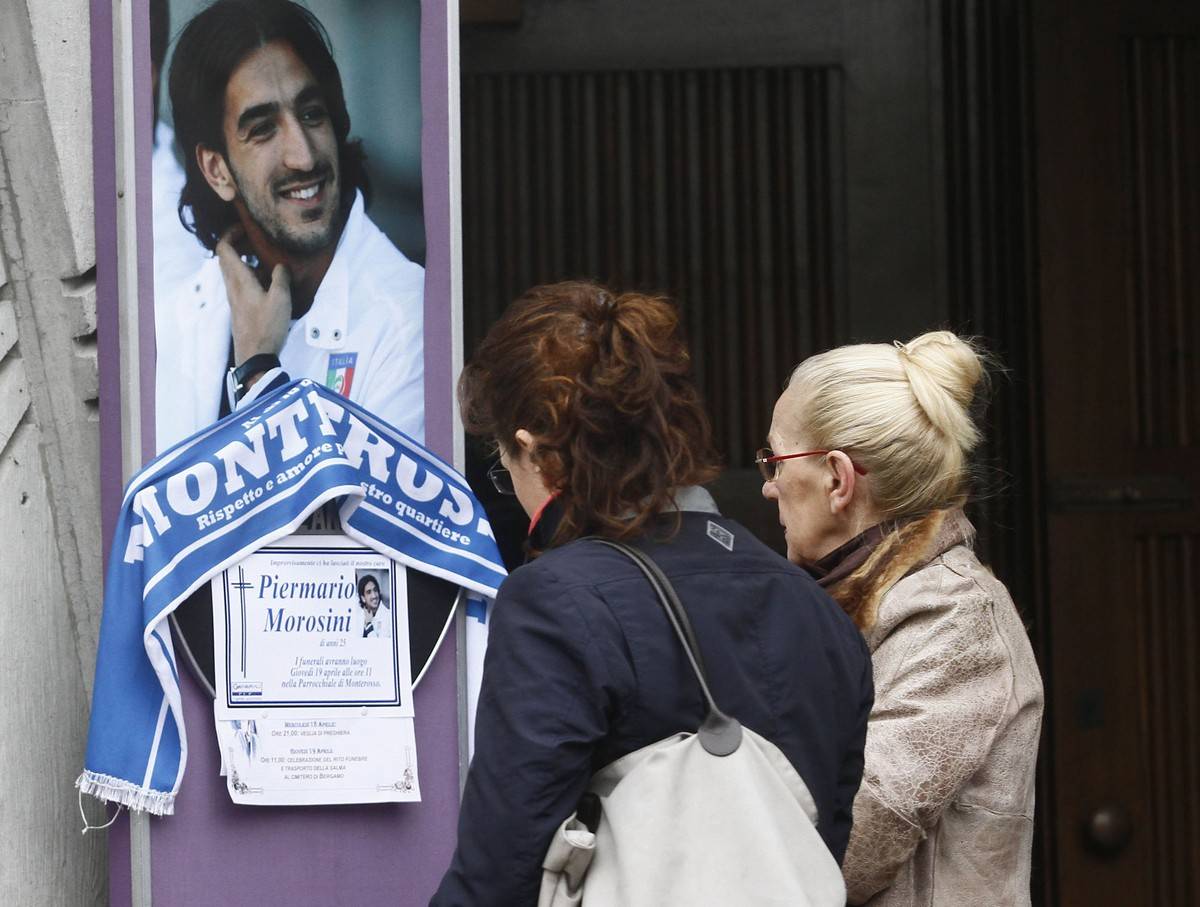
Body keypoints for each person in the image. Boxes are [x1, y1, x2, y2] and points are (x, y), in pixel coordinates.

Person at [433, 281, 873, 905]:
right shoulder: (817, 611)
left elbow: (500, 875)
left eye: (507, 471)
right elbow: (819, 849)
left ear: (534, 451)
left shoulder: (553, 603)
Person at [760, 331, 1044, 906]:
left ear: (837, 479)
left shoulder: (958, 624)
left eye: (773, 459)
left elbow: (843, 850)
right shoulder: (834, 602)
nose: (767, 486)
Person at [156, 0, 424, 452]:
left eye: (311, 114)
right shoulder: (179, 319)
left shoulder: (409, 317)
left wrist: (258, 373)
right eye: (262, 130)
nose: (303, 156)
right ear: (217, 169)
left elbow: (358, 523)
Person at [356, 573, 392, 640]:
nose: (374, 596)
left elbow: (378, 647)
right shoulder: (360, 615)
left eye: (375, 590)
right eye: (369, 592)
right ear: (363, 598)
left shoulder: (388, 617)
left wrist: (369, 625)